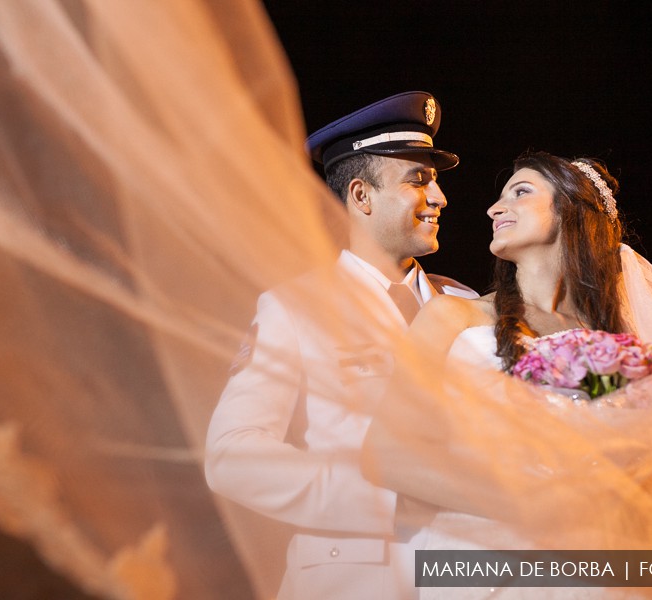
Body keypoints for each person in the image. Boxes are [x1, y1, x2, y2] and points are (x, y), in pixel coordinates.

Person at [362, 151, 652, 598]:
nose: (494, 208)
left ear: (571, 211)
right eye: (499, 196)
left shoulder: (622, 344)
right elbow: (385, 455)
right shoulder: (453, 315)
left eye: (521, 191)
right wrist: (526, 501)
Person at [204, 91, 478, 599]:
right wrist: (390, 499)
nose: (440, 197)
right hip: (353, 579)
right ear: (361, 195)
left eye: (436, 181)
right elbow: (231, 456)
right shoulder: (294, 308)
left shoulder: (468, 303)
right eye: (419, 180)